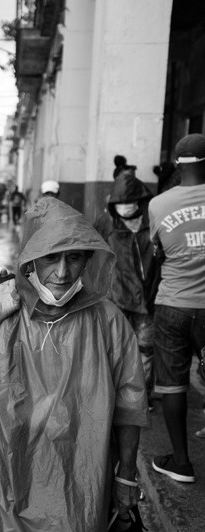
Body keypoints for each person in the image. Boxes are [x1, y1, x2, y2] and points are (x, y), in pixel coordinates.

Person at [0, 197, 147, 530]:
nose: (62, 272)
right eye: (51, 258)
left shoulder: (108, 322)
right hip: (9, 476)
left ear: (87, 260)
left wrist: (126, 477)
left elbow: (130, 403)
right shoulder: (3, 308)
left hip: (79, 482)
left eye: (74, 258)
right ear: (31, 259)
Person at [148, 133, 205, 483]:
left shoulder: (159, 205)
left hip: (173, 305)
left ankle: (181, 463)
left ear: (177, 165)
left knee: (172, 384)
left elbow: (156, 254)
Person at [94, 173, 158, 405]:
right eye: (119, 203)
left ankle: (142, 398)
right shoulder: (106, 223)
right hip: (117, 298)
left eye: (129, 202)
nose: (124, 207)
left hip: (148, 300)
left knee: (145, 351)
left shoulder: (154, 221)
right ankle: (115, 395)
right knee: (116, 349)